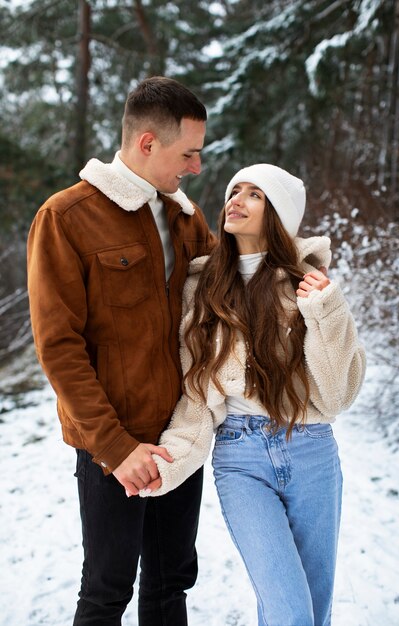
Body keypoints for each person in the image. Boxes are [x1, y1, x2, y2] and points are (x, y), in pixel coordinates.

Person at [139, 163, 366, 626]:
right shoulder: (202, 287)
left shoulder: (310, 283)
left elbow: (338, 393)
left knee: (314, 609)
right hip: (241, 460)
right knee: (290, 610)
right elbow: (198, 395)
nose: (235, 200)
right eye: (234, 191)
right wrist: (172, 458)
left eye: (254, 194)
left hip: (312, 451)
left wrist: (326, 312)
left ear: (278, 213)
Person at [27, 76, 216, 626]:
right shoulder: (66, 218)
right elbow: (59, 348)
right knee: (109, 589)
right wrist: (114, 448)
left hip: (177, 438)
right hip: (114, 445)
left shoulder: (187, 219)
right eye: (190, 153)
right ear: (148, 143)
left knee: (171, 583)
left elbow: (225, 299)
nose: (197, 168)